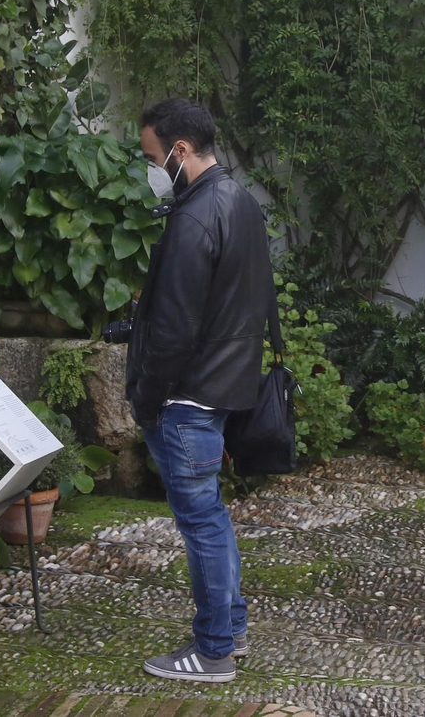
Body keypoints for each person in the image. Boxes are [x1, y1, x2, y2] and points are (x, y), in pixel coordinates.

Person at [125, 97, 273, 683]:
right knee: (211, 516)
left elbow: (174, 329)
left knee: (201, 523)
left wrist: (147, 398)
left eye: (153, 158)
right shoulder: (240, 201)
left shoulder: (192, 219)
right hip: (222, 385)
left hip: (186, 397)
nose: (152, 169)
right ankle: (230, 630)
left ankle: (212, 652)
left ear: (180, 150)